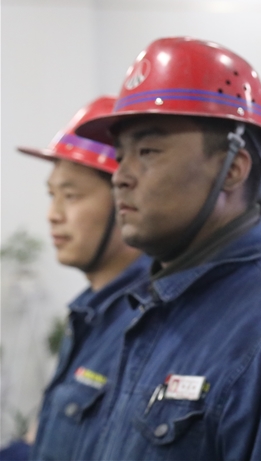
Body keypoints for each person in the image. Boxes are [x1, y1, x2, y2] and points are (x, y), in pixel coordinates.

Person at [74, 37, 261, 460]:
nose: (120, 176)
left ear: (232, 168)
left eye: (147, 151)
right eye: (121, 156)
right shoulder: (150, 304)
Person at [17, 97, 149, 461]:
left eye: (71, 196)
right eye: (52, 195)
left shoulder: (147, 322)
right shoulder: (91, 312)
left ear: (125, 199)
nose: (53, 214)